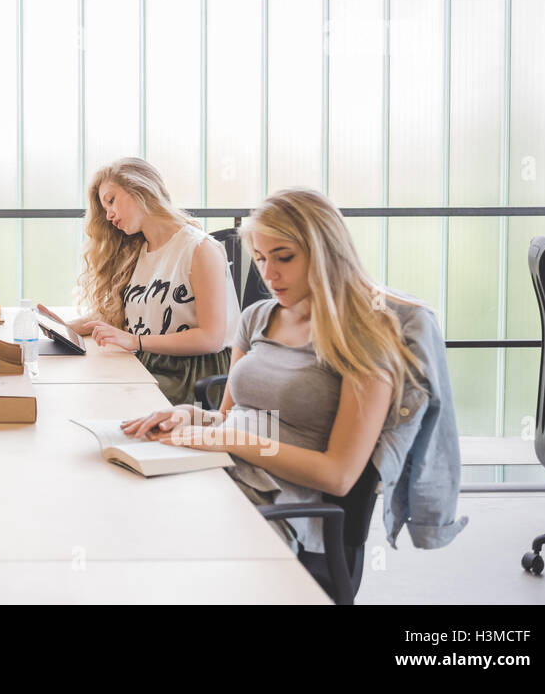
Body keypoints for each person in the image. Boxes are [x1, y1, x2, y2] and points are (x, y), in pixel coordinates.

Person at [120, 187, 432, 555]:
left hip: (276, 504)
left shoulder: (365, 336)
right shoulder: (258, 318)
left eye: (284, 257)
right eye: (260, 258)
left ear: (326, 252)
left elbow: (339, 476)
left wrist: (228, 440)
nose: (270, 275)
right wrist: (188, 415)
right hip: (221, 468)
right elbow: (229, 418)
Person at [60, 157, 240, 405]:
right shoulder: (137, 251)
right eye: (104, 209)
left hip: (192, 374)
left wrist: (135, 341)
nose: (109, 215)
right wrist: (59, 327)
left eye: (111, 201)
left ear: (140, 188)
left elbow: (211, 338)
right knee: (84, 387)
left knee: (98, 398)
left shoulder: (200, 249)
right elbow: (123, 317)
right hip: (147, 361)